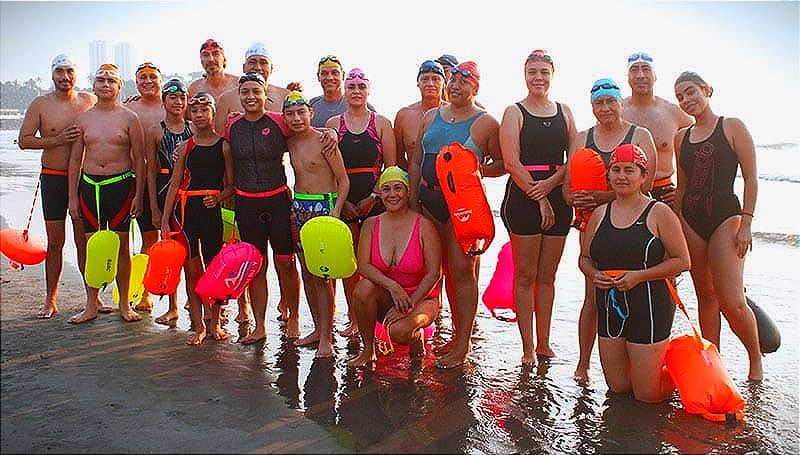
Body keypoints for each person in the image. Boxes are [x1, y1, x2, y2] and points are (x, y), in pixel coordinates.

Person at [408, 61, 505, 369]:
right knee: (431, 270)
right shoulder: (430, 116)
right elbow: (416, 160)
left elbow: (501, 163)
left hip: (461, 206)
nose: (456, 87)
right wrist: (412, 200)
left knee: (462, 272)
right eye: (453, 81)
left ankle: (462, 343)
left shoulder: (486, 122)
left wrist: (474, 172)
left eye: (465, 83)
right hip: (427, 198)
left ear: (475, 88)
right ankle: (435, 332)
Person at [562, 78, 657, 384]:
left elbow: (648, 184)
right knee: (593, 295)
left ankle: (637, 355)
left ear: (620, 102)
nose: (605, 108)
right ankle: (584, 362)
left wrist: (603, 197)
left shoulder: (639, 134)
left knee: (637, 290)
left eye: (610, 102)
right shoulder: (582, 137)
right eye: (598, 103)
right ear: (592, 107)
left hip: (635, 224)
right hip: (593, 224)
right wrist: (574, 199)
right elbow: (567, 186)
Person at [579, 144, 690, 402]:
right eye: (615, 170)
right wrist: (593, 274)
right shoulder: (599, 214)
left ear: (643, 175)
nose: (621, 176)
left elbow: (683, 261)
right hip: (610, 305)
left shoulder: (658, 212)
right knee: (618, 388)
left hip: (650, 304)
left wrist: (639, 276)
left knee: (647, 396)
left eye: (630, 170)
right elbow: (584, 258)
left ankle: (677, 376)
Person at [673, 71, 762, 381]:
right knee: (705, 297)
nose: (686, 100)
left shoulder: (732, 126)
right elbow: (682, 186)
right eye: (680, 96)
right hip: (691, 219)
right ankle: (715, 365)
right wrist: (677, 223)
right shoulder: (681, 137)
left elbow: (751, 178)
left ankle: (755, 363)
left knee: (732, 300)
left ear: (707, 90)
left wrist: (747, 223)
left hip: (727, 217)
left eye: (691, 92)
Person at [499, 50, 577, 365]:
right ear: (524, 74)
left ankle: (545, 342)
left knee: (548, 276)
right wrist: (540, 195)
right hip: (523, 196)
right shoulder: (514, 111)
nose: (538, 78)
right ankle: (527, 347)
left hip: (557, 192)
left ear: (552, 75)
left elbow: (574, 157)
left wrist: (554, 185)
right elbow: (511, 161)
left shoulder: (565, 111)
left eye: (544, 72)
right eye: (533, 72)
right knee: (526, 275)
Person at [213, 42, 298, 328]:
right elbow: (223, 160)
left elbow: (305, 133)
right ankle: (260, 324)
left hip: (277, 199)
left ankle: (294, 318)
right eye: (245, 92)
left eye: (256, 92)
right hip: (246, 202)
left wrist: (329, 136)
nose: (251, 96)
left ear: (266, 95)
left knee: (285, 261)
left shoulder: (279, 122)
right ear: (239, 95)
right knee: (255, 263)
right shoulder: (232, 126)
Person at [17, 54, 99, 319]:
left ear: (77, 74)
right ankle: (50, 299)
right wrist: (58, 139)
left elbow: (112, 115)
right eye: (60, 72)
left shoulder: (90, 101)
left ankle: (92, 299)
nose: (65, 77)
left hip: (85, 179)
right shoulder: (40, 104)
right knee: (55, 242)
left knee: (84, 239)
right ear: (52, 75)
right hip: (53, 178)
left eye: (70, 71)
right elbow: (24, 140)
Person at [67, 63, 146, 323]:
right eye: (101, 80)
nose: (105, 84)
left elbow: (140, 160)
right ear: (94, 85)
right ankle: (91, 303)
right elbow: (75, 159)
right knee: (93, 247)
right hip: (90, 186)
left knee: (123, 247)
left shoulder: (129, 118)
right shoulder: (84, 119)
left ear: (119, 87)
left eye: (111, 81)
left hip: (121, 186)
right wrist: (72, 198)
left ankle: (124, 304)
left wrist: (138, 195)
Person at [346, 166, 442, 368]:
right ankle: (368, 350)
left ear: (407, 192)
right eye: (386, 189)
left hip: (422, 299)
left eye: (398, 188)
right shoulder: (371, 224)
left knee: (399, 333)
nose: (392, 194)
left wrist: (410, 304)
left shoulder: (424, 226)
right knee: (363, 289)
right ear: (380, 194)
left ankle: (416, 339)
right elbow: (362, 265)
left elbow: (435, 273)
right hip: (388, 296)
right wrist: (393, 286)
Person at [325, 68, 397, 337]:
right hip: (345, 198)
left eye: (361, 87)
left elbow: (391, 167)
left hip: (375, 200)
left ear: (369, 90)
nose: (356, 91)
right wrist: (340, 202)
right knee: (348, 263)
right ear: (345, 90)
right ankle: (354, 318)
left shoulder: (381, 123)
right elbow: (328, 170)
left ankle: (380, 315)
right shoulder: (333, 125)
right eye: (351, 86)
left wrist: (375, 197)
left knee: (375, 261)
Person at [160, 92, 234, 345]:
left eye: (205, 110)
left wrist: (219, 197)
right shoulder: (185, 147)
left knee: (214, 269)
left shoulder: (224, 146)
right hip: (186, 211)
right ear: (191, 115)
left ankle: (215, 322)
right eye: (196, 111)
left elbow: (232, 186)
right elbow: (173, 184)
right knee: (192, 269)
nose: (200, 115)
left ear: (213, 113)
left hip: (212, 211)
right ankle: (198, 324)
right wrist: (164, 219)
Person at [284, 90, 349, 358]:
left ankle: (327, 337)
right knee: (308, 275)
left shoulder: (325, 140)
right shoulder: (289, 142)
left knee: (323, 277)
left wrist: (335, 212)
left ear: (311, 113)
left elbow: (344, 181)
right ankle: (317, 328)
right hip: (299, 208)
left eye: (302, 112)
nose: (297, 118)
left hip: (323, 207)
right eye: (290, 114)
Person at [143, 78, 193, 325]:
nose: (178, 102)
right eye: (173, 98)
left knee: (193, 251)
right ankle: (173, 307)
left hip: (188, 192)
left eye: (182, 98)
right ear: (164, 101)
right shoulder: (155, 131)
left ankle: (195, 303)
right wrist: (153, 207)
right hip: (164, 191)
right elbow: (151, 171)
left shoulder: (193, 129)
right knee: (170, 251)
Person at [622, 52, 693, 209]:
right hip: (622, 191)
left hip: (665, 193)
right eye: (634, 70)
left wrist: (685, 190)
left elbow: (700, 151)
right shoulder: (617, 112)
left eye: (646, 69)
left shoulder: (674, 113)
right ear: (628, 77)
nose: (640, 75)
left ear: (655, 76)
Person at [124, 61, 165, 313]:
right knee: (148, 237)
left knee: (173, 238)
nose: (148, 81)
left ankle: (175, 294)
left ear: (161, 80)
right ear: (136, 83)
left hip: (166, 178)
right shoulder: (129, 108)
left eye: (152, 76)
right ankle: (144, 292)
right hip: (135, 178)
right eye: (142, 78)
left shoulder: (173, 105)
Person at [214, 42, 294, 134]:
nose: (258, 67)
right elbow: (219, 137)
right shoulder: (226, 99)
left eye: (263, 62)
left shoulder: (285, 96)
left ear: (271, 68)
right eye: (252, 62)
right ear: (244, 67)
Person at [393, 60, 445, 170]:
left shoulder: (454, 113)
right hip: (415, 183)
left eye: (436, 79)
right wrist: (413, 180)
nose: (430, 84)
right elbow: (398, 157)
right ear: (418, 83)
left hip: (448, 183)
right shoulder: (404, 116)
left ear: (444, 83)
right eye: (425, 79)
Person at [310, 55, 374, 128]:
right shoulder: (311, 105)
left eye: (335, 73)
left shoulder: (362, 104)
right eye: (324, 73)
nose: (330, 77)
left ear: (343, 75)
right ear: (318, 76)